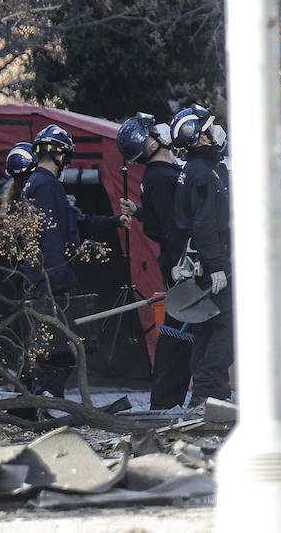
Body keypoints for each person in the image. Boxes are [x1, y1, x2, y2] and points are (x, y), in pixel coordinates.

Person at [21, 124, 124, 397]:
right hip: (50, 277)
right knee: (60, 346)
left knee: (44, 342)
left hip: (39, 275)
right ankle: (45, 397)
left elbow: (76, 220)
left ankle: (32, 396)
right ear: (60, 155)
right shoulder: (47, 186)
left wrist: (116, 221)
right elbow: (51, 233)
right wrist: (60, 277)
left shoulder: (36, 184)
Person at [117, 112, 193, 411]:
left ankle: (167, 399)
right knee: (179, 333)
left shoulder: (162, 176)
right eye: (152, 130)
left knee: (180, 332)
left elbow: (160, 220)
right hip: (183, 264)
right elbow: (171, 227)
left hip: (180, 262)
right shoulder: (162, 178)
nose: (160, 130)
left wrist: (138, 210)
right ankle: (165, 400)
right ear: (148, 145)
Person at [170, 104, 233, 409]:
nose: (216, 130)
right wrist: (217, 266)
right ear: (199, 138)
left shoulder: (200, 170)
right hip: (213, 263)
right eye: (210, 127)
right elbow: (205, 224)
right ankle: (210, 394)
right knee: (225, 330)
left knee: (206, 328)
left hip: (206, 262)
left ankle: (208, 396)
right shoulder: (201, 174)